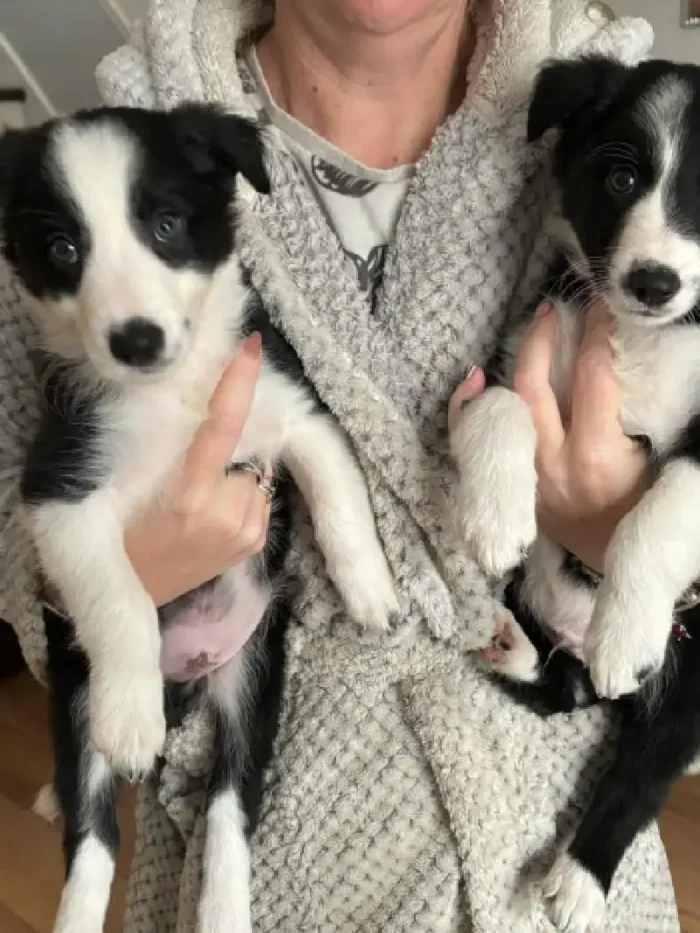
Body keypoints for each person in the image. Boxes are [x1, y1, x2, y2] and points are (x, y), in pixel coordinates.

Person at [0, 1, 680, 931]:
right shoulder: (76, 172)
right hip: (250, 834)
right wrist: (91, 586)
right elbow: (19, 529)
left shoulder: (611, 111)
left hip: (553, 834)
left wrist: (642, 553)